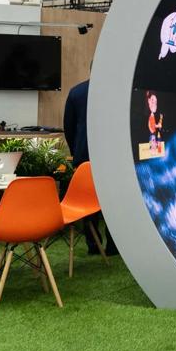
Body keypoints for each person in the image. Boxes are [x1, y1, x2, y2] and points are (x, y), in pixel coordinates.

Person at [64, 80, 118, 256]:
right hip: (112, 154)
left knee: (87, 200)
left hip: (84, 153)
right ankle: (113, 245)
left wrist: (75, 151)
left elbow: (69, 126)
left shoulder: (76, 91)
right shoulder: (116, 89)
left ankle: (93, 245)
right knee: (113, 202)